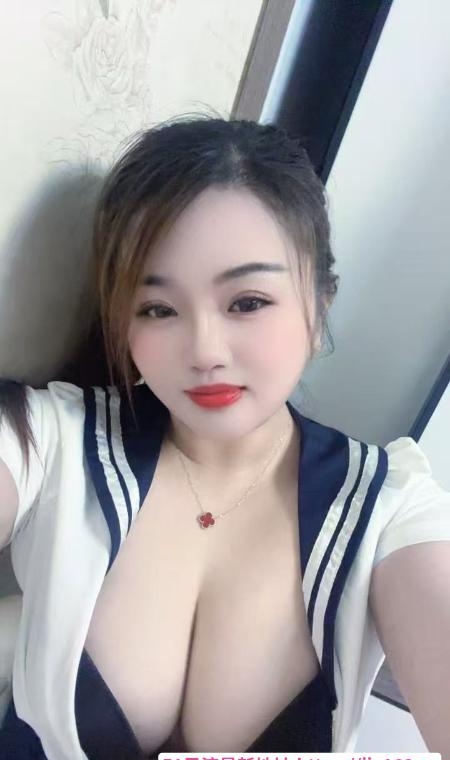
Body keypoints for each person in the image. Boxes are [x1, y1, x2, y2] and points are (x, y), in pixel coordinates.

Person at [0, 114, 449, 760]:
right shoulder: (53, 440)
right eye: (158, 309)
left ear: (319, 303)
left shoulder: (388, 511)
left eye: (246, 302)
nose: (205, 351)